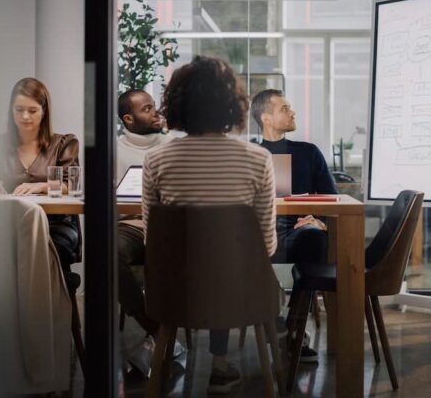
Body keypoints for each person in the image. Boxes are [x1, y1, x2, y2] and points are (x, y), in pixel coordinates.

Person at [142, 56, 276, 394]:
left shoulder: (156, 160)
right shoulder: (258, 159)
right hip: (241, 292)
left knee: (208, 261)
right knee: (227, 261)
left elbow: (152, 239)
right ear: (233, 104)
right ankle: (220, 365)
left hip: (176, 292)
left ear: (175, 104)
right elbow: (267, 245)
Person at [250, 89, 337, 363]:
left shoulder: (308, 152)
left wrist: (319, 219)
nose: (293, 112)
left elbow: (331, 197)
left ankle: (294, 331)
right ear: (266, 118)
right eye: (285, 108)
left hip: (297, 231)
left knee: (314, 237)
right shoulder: (250, 154)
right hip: (257, 234)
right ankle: (276, 322)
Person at [115, 89, 181, 378]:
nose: (156, 113)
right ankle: (156, 330)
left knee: (168, 254)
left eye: (154, 106)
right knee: (107, 251)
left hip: (166, 227)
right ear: (128, 119)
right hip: (130, 226)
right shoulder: (113, 150)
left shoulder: (172, 146)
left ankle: (159, 338)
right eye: (147, 109)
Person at [1, 77, 80, 272]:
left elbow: (70, 185)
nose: (25, 116)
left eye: (32, 110)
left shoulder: (64, 143)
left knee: (36, 247)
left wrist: (42, 186)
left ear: (44, 112)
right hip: (9, 222)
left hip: (54, 222)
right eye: (19, 110)